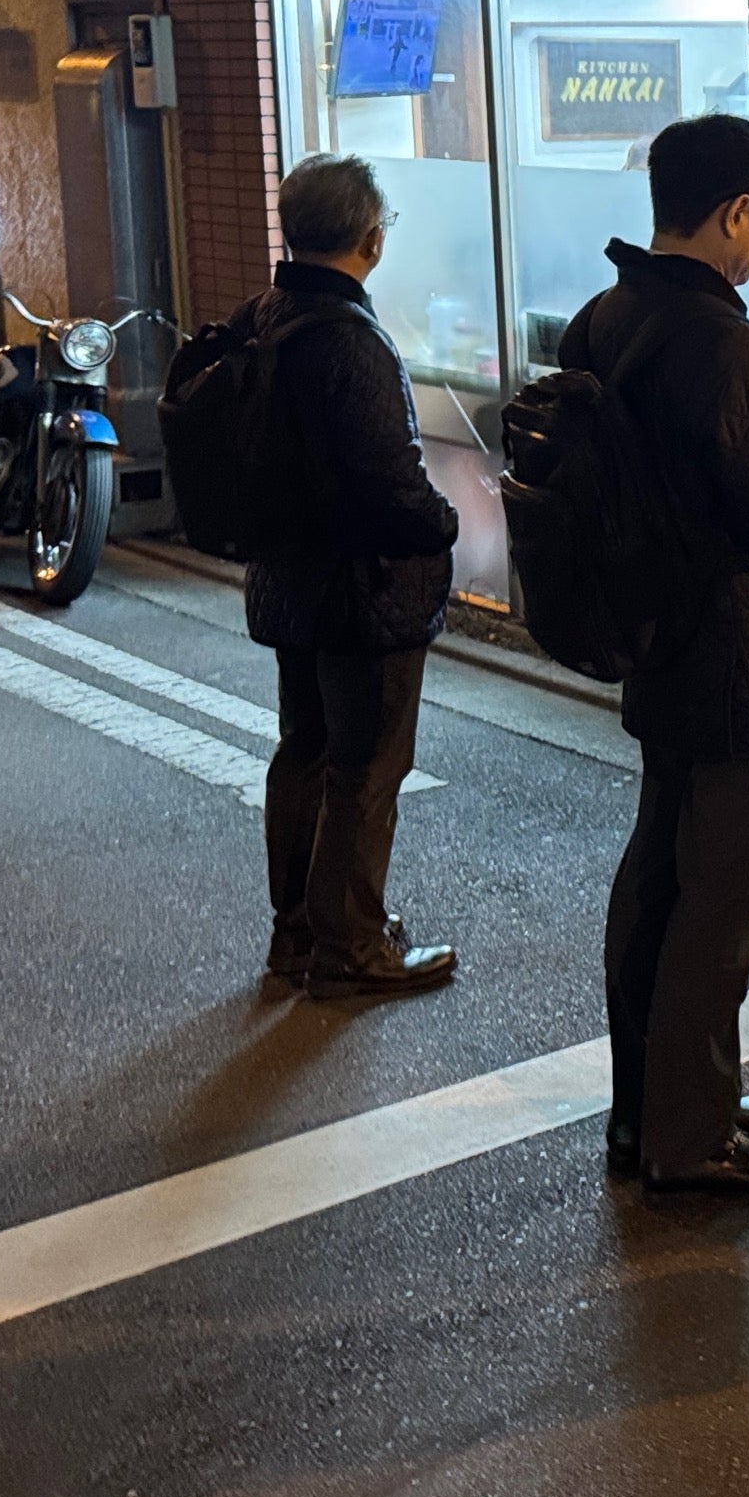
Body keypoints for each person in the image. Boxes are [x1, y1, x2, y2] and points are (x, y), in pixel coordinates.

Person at [561, 115, 749, 1198]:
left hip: (662, 646)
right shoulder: (722, 338)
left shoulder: (608, 317)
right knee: (718, 905)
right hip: (744, 659)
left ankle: (649, 1111)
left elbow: (696, 468)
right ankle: (692, 1140)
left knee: (658, 882)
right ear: (735, 212)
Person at [242, 155, 462, 1001]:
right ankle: (353, 948)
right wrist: (446, 523)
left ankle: (298, 933)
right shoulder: (351, 339)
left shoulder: (267, 315)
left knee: (304, 750)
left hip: (289, 581)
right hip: (362, 592)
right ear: (370, 239)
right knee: (365, 767)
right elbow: (391, 482)